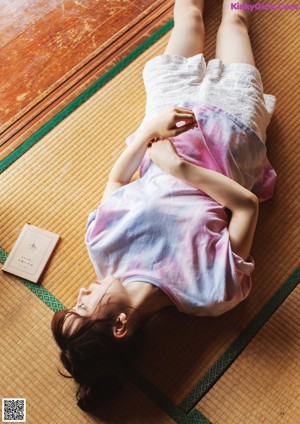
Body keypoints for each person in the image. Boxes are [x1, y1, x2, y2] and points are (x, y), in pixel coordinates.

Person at [51, 0, 276, 412]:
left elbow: (118, 180)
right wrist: (183, 171)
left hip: (166, 117)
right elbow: (246, 207)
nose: (82, 290)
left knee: (188, 15)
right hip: (231, 127)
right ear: (120, 325)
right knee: (237, 18)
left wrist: (148, 131)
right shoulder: (210, 291)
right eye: (83, 305)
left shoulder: (102, 250)